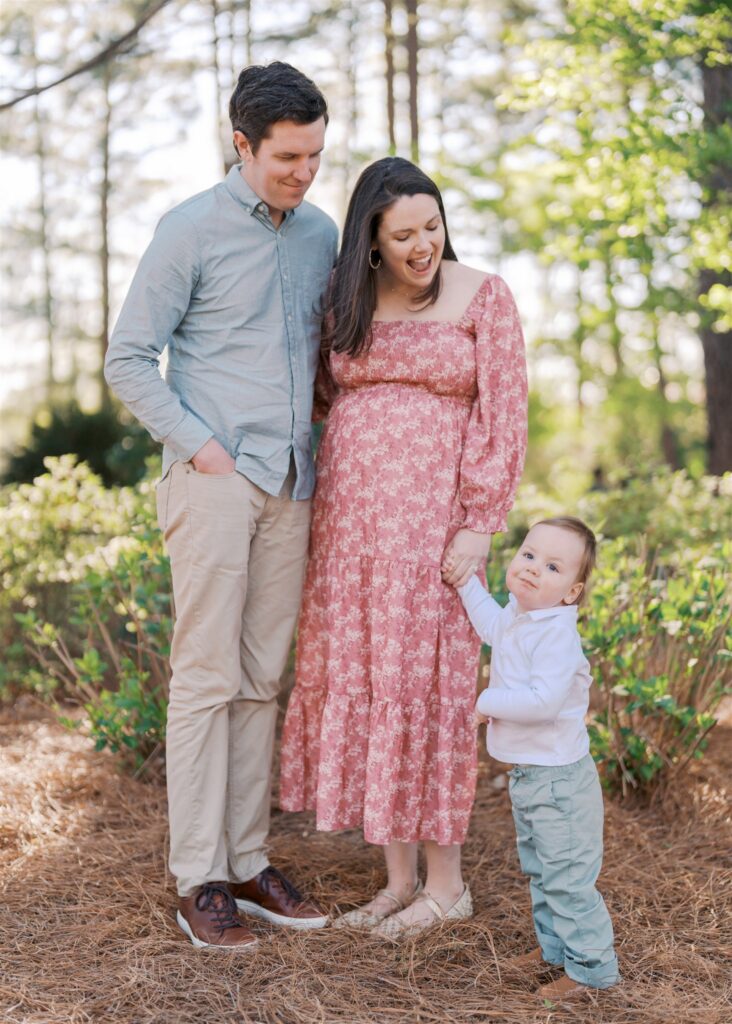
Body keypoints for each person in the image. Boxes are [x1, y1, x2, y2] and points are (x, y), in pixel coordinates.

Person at [104, 62, 339, 949]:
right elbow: (129, 358)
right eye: (286, 157)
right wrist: (201, 448)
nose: (304, 173)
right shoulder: (188, 229)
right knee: (205, 681)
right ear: (240, 144)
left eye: (315, 156)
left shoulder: (318, 233)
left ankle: (246, 860)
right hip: (212, 480)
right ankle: (197, 875)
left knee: (260, 679)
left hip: (292, 482)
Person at [279, 157, 528, 937]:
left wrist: (480, 521)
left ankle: (446, 886)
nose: (423, 245)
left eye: (433, 226)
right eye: (404, 235)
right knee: (373, 679)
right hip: (351, 529)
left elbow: (506, 412)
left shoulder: (481, 294)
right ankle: (396, 882)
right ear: (372, 242)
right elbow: (320, 393)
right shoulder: (347, 301)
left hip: (434, 530)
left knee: (428, 687)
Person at [445, 516, 619, 1000]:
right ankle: (555, 952)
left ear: (571, 592)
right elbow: (488, 624)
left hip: (560, 783)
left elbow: (543, 703)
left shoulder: (556, 635)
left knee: (567, 880)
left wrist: (486, 703)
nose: (533, 568)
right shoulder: (521, 617)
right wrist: (466, 583)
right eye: (528, 555)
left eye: (552, 566)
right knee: (543, 872)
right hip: (534, 777)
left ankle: (591, 971)